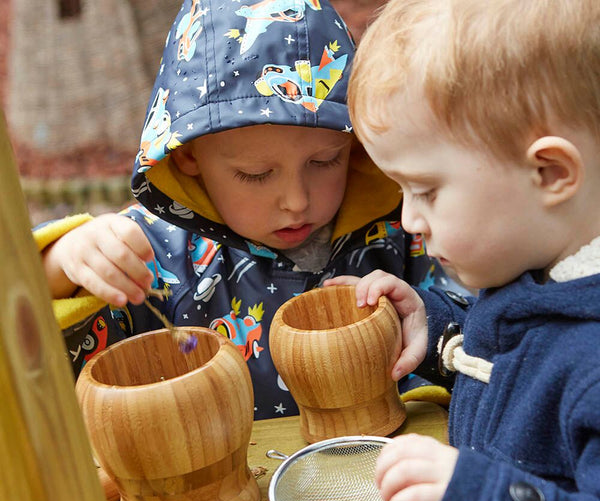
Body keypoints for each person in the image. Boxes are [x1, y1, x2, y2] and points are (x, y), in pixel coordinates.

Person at [35, 0, 455, 420]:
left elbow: (484, 338)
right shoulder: (151, 253)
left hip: (378, 476)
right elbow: (51, 370)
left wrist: (431, 343)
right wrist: (62, 265)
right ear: (187, 157)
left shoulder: (405, 228)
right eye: (256, 174)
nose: (297, 201)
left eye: (325, 161)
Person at [324, 0, 600, 501]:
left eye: (425, 189)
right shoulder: (539, 273)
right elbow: (513, 358)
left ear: (550, 173)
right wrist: (438, 331)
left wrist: (479, 498)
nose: (407, 219)